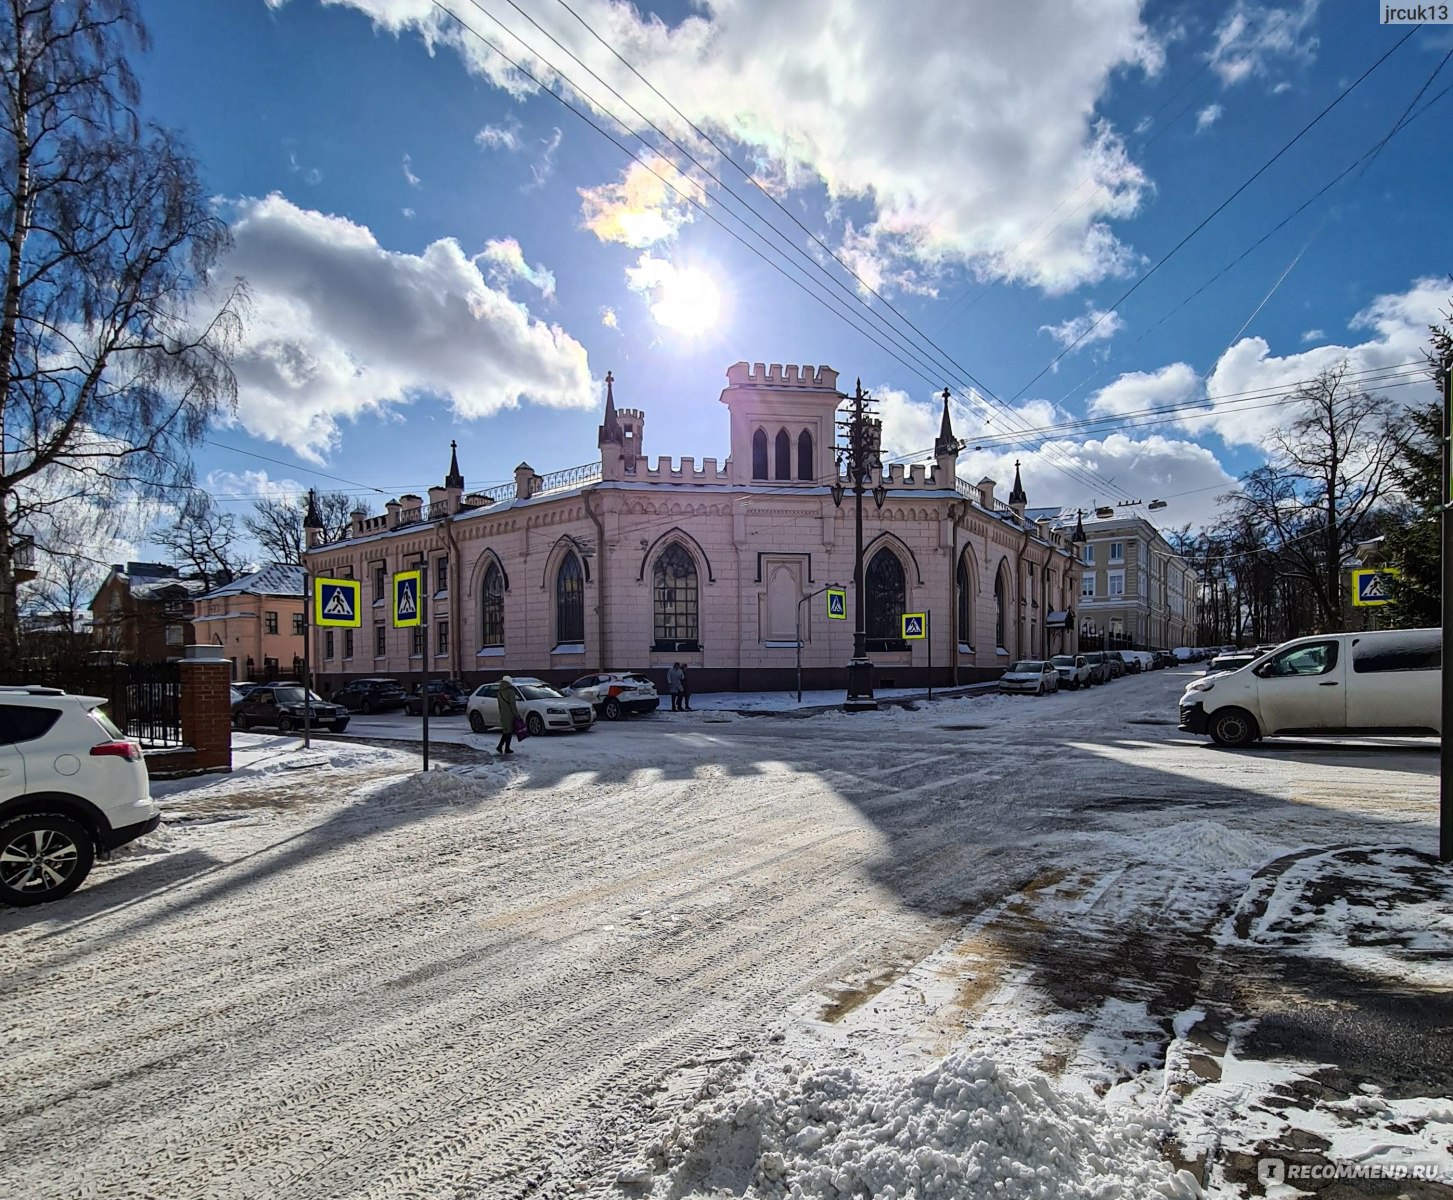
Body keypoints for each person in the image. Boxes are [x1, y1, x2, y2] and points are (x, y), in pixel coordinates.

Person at [496, 675, 520, 754]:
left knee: (506, 731)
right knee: (508, 732)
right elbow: (513, 705)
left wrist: (501, 714)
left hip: (503, 715)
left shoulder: (499, 692)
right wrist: (517, 715)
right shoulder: (511, 692)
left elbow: (499, 706)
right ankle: (506, 748)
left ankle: (501, 747)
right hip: (510, 715)